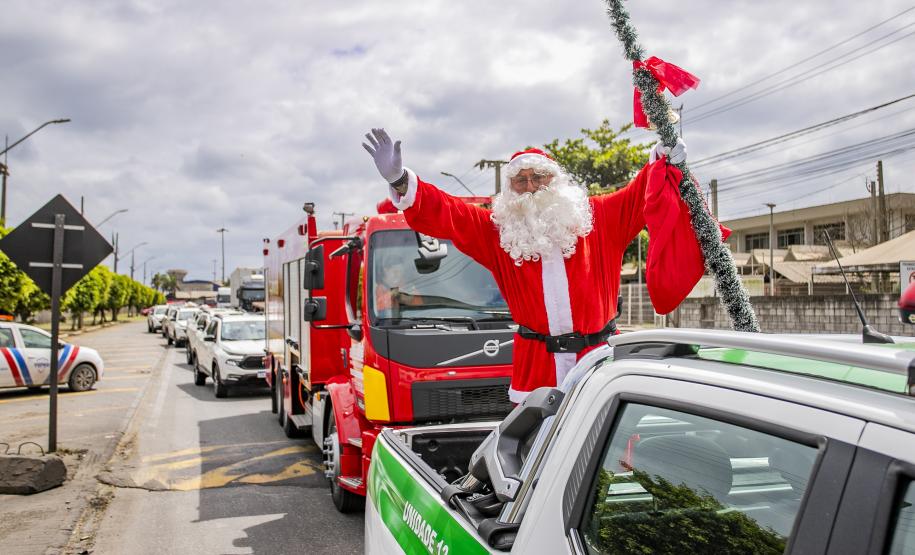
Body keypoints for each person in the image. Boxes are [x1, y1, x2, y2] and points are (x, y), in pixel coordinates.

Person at [362, 128, 726, 403]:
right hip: (536, 364)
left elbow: (641, 193)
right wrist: (401, 181)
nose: (531, 186)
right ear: (510, 190)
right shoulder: (497, 233)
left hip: (597, 358)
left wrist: (662, 156)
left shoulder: (599, 217)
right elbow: (449, 213)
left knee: (601, 457)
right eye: (521, 180)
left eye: (539, 176)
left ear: (557, 180)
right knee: (537, 457)